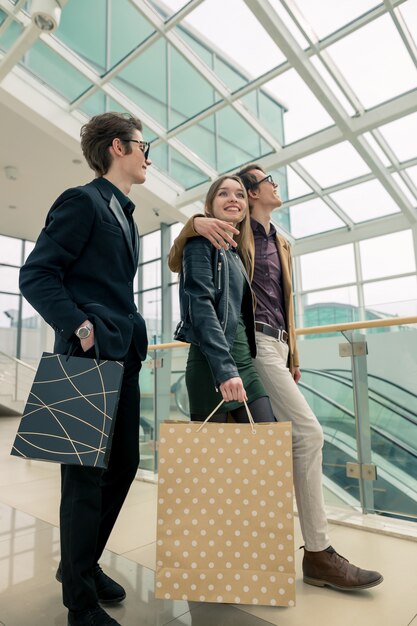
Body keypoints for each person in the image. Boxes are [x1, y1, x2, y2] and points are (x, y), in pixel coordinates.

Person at [168, 164, 383, 592]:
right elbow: (186, 270)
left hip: (270, 350)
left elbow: (282, 304)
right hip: (243, 352)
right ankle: (315, 553)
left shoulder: (277, 242)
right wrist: (195, 223)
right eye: (265, 181)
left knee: (255, 458)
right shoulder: (222, 237)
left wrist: (294, 356)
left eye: (240, 195)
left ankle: (251, 559)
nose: (272, 186)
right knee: (303, 436)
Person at [19, 112, 151, 626]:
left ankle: (81, 564)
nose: (147, 156)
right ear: (119, 147)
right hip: (86, 355)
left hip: (125, 354)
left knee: (123, 466)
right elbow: (37, 274)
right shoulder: (82, 201)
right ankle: (80, 603)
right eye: (143, 146)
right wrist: (79, 326)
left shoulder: (125, 212)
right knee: (83, 481)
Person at [175, 174, 275, 424]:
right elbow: (201, 308)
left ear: (244, 210)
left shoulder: (234, 253)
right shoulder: (198, 243)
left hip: (244, 363)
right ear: (209, 206)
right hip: (212, 364)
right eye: (223, 193)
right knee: (210, 458)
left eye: (240, 194)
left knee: (266, 444)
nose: (233, 199)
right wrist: (225, 370)